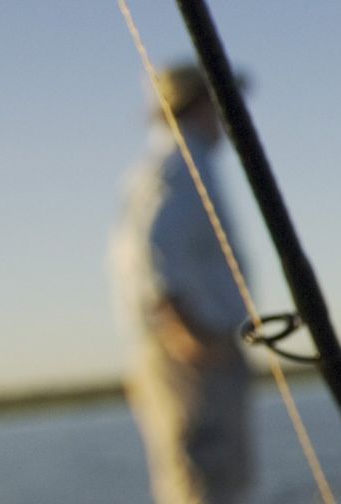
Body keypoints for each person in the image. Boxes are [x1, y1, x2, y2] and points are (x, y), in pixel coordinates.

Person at [108, 63, 253, 504]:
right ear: (201, 104)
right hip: (192, 352)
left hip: (199, 346)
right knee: (202, 482)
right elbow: (151, 252)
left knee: (217, 481)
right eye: (225, 102)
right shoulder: (178, 167)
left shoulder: (182, 165)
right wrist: (186, 333)